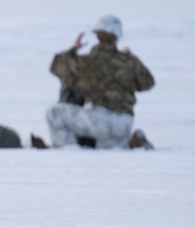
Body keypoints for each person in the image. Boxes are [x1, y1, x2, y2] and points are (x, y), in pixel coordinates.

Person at [40, 15, 155, 149]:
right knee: (108, 150)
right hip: (124, 123)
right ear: (117, 38)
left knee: (54, 113)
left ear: (98, 35)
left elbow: (55, 67)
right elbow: (148, 83)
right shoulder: (129, 62)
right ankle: (133, 143)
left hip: (98, 121)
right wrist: (133, 60)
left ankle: (69, 150)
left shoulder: (86, 62)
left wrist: (73, 49)